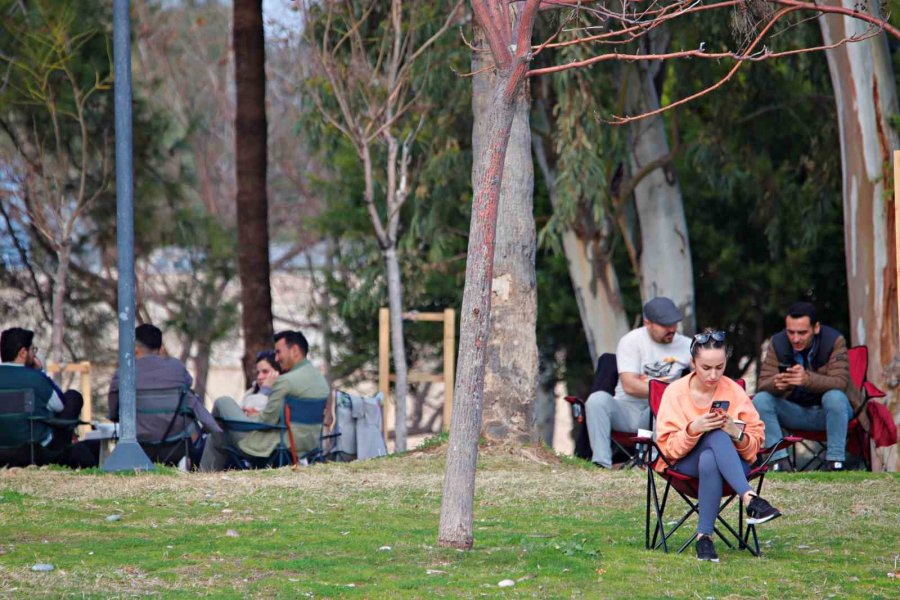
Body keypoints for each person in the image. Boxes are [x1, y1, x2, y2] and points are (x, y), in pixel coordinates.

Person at [656, 329, 782, 562]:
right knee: (714, 435)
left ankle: (704, 538)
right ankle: (750, 499)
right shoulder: (675, 392)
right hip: (684, 466)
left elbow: (754, 446)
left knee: (713, 452)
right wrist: (694, 428)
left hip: (732, 467)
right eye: (706, 368)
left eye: (720, 367)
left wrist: (735, 432)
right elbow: (668, 449)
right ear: (693, 362)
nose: (714, 375)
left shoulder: (734, 390)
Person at [200, 330, 331, 471]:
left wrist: (248, 415)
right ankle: (204, 478)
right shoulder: (321, 381)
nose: (276, 358)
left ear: (294, 351)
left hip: (276, 446)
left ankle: (205, 434)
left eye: (279, 352)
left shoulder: (286, 381)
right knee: (217, 436)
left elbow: (266, 421)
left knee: (223, 402)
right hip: (308, 445)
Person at [585, 297, 692, 467]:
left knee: (662, 406)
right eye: (665, 325)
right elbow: (630, 386)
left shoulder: (687, 345)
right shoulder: (631, 341)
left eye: (674, 324)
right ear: (648, 323)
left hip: (662, 411)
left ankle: (655, 464)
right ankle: (601, 464)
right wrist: (669, 390)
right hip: (628, 409)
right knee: (596, 400)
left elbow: (702, 377)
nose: (671, 329)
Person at [752, 301, 856, 472]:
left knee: (835, 397)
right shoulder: (777, 343)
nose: (795, 338)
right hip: (795, 412)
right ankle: (779, 462)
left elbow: (840, 382)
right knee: (761, 400)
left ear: (816, 328)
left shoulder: (834, 341)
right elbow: (763, 384)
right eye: (790, 332)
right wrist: (776, 384)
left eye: (802, 333)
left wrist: (806, 379)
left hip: (831, 413)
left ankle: (835, 462)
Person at [108, 323, 221, 464]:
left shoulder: (124, 373)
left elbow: (113, 413)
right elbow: (188, 388)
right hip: (177, 445)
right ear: (161, 349)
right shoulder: (177, 367)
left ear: (135, 349)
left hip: (139, 445)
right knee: (189, 403)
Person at [0, 327, 97, 468]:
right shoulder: (34, 378)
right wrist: (41, 372)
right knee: (72, 397)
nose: (34, 355)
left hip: (2, 452)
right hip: (34, 450)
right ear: (22, 352)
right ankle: (61, 450)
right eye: (33, 350)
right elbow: (59, 405)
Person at [241, 350, 281, 416]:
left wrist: (264, 391)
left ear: (278, 373)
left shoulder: (284, 393)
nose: (259, 377)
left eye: (265, 372)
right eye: (258, 373)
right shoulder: (251, 392)